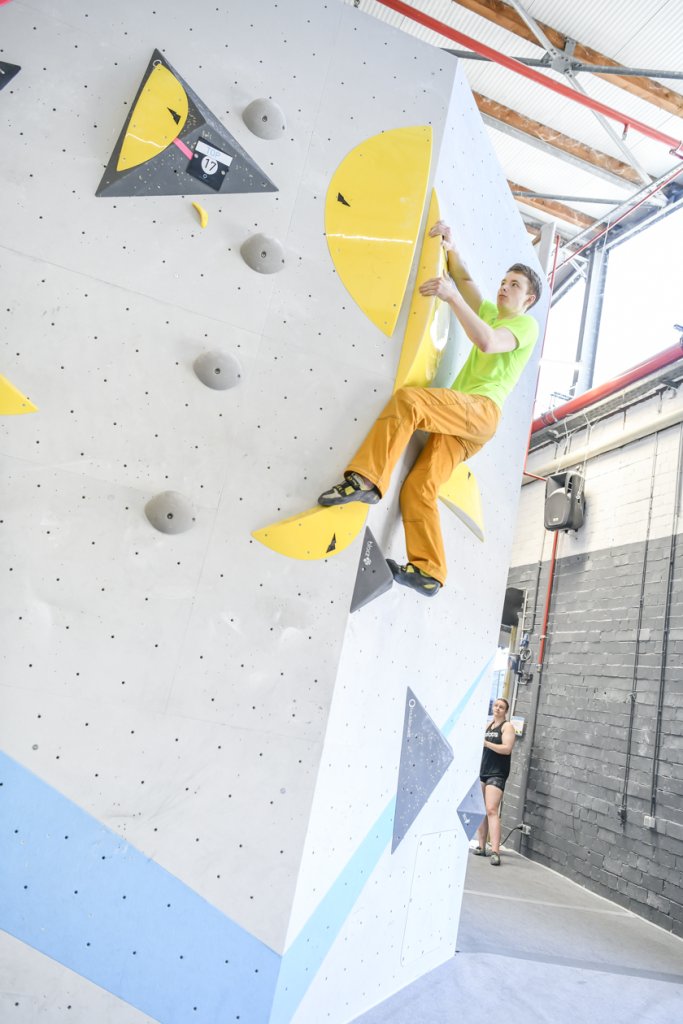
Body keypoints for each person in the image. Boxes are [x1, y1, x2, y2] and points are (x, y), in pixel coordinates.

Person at [318, 220, 541, 596]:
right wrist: (451, 248)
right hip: (465, 426)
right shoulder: (489, 311)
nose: (505, 287)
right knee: (420, 485)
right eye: (504, 281)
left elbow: (487, 342)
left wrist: (451, 297)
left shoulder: (523, 326)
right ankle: (429, 571)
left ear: (528, 300)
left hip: (480, 411)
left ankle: (367, 480)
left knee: (410, 402)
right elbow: (467, 282)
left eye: (515, 285)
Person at [473, 697, 516, 866]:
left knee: (491, 809)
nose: (497, 708)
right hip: (483, 771)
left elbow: (506, 749)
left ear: (505, 711)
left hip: (497, 773)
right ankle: (481, 846)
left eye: (501, 707)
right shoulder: (487, 726)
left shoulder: (507, 727)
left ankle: (496, 851)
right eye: (496, 705)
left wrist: (485, 743)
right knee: (480, 810)